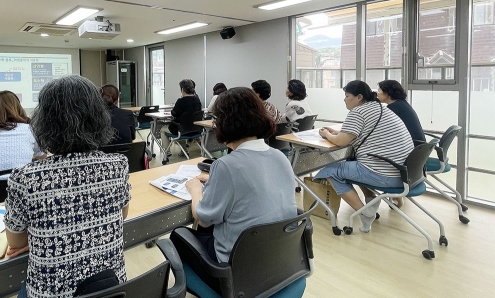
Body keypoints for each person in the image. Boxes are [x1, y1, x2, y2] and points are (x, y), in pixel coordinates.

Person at [4, 75, 131, 298]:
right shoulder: (118, 164)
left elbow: (14, 242)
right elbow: (122, 215)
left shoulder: (26, 178)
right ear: (98, 118)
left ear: (43, 122)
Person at [184, 87, 299, 263]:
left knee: (180, 237)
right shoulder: (280, 157)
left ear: (224, 122)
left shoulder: (226, 166)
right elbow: (256, 185)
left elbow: (203, 220)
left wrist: (195, 190)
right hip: (278, 259)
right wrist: (216, 180)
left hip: (237, 267)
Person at [315, 80, 414, 232]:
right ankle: (370, 200)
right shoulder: (379, 107)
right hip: (404, 173)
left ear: (359, 97)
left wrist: (326, 134)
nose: (344, 99)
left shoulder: (358, 112)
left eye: (347, 96)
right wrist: (336, 134)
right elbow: (354, 134)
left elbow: (341, 142)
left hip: (386, 174)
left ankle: (365, 212)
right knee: (353, 160)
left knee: (331, 170)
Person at [377, 79, 425, 146]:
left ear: (387, 93)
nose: (377, 93)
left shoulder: (393, 108)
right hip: (419, 148)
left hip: (411, 146)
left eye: (379, 91)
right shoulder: (402, 103)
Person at [161, 79, 202, 156]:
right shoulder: (197, 100)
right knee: (182, 128)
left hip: (182, 129)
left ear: (182, 89)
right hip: (195, 129)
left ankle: (166, 152)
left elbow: (174, 113)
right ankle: (184, 150)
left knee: (163, 129)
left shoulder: (181, 101)